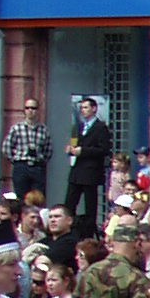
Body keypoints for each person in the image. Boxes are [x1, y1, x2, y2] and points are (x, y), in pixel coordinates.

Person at [63, 96, 110, 238]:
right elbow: (77, 143)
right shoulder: (80, 126)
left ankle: (89, 233)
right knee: (70, 202)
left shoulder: (101, 127)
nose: (83, 111)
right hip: (77, 171)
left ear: (94, 109)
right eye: (81, 108)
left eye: (86, 107)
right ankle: (67, 229)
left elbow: (104, 149)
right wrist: (72, 149)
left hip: (91, 172)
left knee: (90, 205)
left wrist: (83, 151)